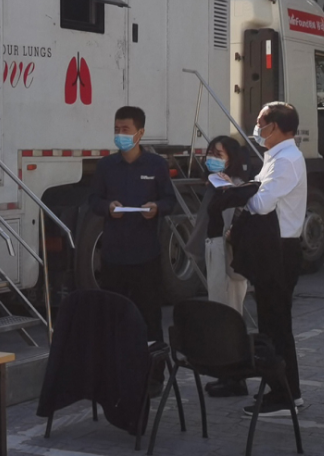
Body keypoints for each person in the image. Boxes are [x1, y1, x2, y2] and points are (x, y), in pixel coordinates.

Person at [89, 106, 176, 350]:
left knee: (149, 317)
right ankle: (113, 363)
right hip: (113, 256)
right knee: (112, 316)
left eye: (125, 130)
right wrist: (108, 207)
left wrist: (156, 207)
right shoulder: (106, 166)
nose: (120, 135)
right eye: (117, 129)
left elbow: (170, 200)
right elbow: (93, 200)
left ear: (140, 133)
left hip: (146, 256)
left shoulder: (156, 165)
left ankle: (153, 367)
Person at [240, 102, 307, 418]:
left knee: (277, 324)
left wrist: (237, 194)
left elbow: (261, 203)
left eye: (260, 122)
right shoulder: (276, 157)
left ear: (276, 127)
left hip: (281, 250)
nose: (257, 128)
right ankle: (282, 390)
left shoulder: (287, 160)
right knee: (270, 323)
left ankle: (286, 395)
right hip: (271, 248)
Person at [189, 136, 250, 398]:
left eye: (219, 154)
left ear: (231, 159)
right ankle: (227, 374)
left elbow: (244, 217)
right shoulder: (215, 184)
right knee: (219, 314)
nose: (212, 158)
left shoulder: (236, 186)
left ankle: (236, 377)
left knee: (231, 316)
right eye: (211, 153)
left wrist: (229, 189)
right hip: (215, 249)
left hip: (229, 254)